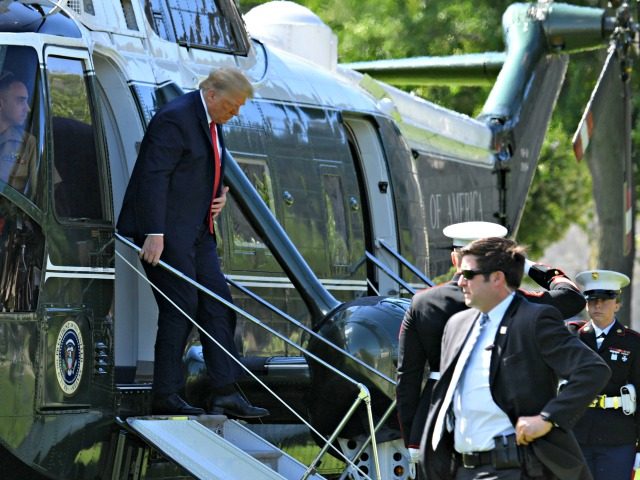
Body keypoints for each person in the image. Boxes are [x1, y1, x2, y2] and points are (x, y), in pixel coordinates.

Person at [117, 67, 268, 418]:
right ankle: (165, 393)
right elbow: (153, 176)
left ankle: (224, 390)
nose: (236, 113)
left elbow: (202, 166)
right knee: (179, 309)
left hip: (198, 233)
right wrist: (154, 232)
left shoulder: (212, 121)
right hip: (167, 234)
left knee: (219, 306)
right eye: (232, 105)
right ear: (212, 94)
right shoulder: (175, 119)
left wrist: (218, 195)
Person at [396, 222, 586, 469]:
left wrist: (412, 436)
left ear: (455, 258)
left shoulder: (422, 303)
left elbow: (407, 378)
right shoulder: (511, 300)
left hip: (434, 422)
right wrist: (525, 264)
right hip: (501, 420)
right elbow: (572, 297)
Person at [571, 270, 640, 480]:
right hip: (578, 432)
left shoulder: (633, 342)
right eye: (592, 300)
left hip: (618, 437)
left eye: (604, 299)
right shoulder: (572, 337)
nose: (597, 306)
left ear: (617, 304)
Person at [0, 72, 37, 193]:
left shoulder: (28, 143)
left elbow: (40, 195)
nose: (27, 108)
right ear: (1, 103)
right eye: (21, 101)